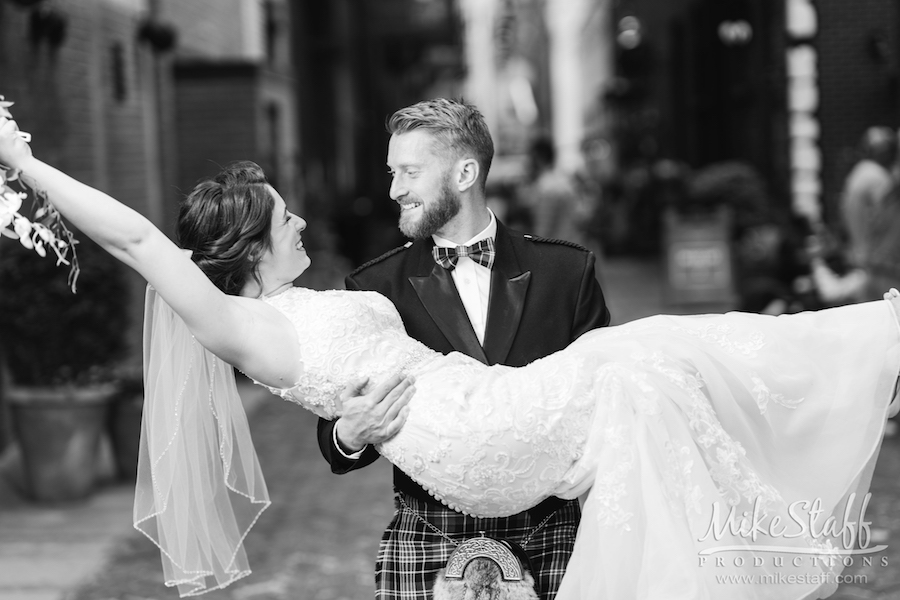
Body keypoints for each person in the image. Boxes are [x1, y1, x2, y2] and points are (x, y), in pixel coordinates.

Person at [1, 116, 900, 600]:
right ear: (248, 247)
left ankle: (861, 364)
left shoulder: (546, 272)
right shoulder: (241, 327)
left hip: (502, 426)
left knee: (656, 359)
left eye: (406, 170)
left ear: (464, 174)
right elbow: (135, 239)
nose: (306, 221)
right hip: (473, 446)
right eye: (287, 218)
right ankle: (869, 350)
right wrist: (22, 161)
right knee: (654, 356)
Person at [316, 99, 610, 600]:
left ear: (465, 172)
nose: (394, 190)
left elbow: (610, 408)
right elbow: (335, 438)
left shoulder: (566, 274)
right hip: (429, 538)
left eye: (410, 172)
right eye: (392, 173)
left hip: (551, 533)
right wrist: (350, 432)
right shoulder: (375, 287)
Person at [839, 126, 898, 294]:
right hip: (881, 264)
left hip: (863, 258)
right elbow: (887, 219)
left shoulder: (859, 172)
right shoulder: (877, 177)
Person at [519, 136, 593, 246]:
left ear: (537, 158)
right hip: (573, 246)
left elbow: (542, 231)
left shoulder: (546, 187)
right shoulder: (565, 180)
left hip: (558, 251)